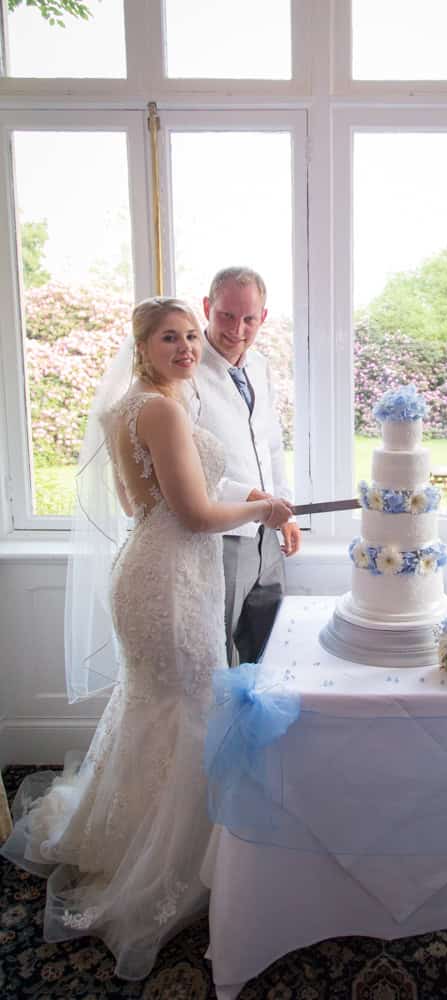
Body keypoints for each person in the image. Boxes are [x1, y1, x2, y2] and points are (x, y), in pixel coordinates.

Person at [0, 297, 292, 980]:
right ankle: (173, 863)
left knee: (158, 701)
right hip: (170, 577)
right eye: (172, 337)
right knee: (185, 703)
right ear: (143, 344)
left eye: (193, 335)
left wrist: (239, 492)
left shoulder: (135, 404)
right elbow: (191, 514)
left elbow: (144, 503)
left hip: (150, 565)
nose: (189, 347)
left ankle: (122, 835)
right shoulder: (160, 408)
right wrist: (265, 507)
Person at [197, 266, 301, 666]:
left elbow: (271, 445)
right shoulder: (185, 370)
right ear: (207, 307)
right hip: (218, 535)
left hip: (267, 536)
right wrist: (254, 499)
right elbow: (189, 468)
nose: (237, 328)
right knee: (220, 654)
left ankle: (256, 729)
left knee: (268, 648)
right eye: (226, 315)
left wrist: (284, 510)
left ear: (264, 318)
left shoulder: (259, 365)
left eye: (249, 318)